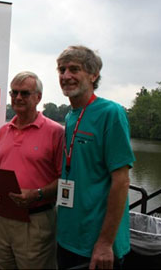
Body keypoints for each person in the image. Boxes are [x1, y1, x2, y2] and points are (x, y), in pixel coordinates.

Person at [56, 45, 135, 269]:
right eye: (61, 70)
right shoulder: (71, 116)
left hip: (97, 247)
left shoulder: (111, 113)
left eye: (74, 69)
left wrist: (105, 243)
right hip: (68, 238)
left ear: (93, 74)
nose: (66, 76)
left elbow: (121, 181)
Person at [0, 71, 64, 269]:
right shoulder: (3, 131)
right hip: (3, 220)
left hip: (36, 221)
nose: (18, 97)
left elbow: (67, 181)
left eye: (25, 93)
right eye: (14, 93)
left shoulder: (56, 132)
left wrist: (37, 194)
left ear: (38, 97)